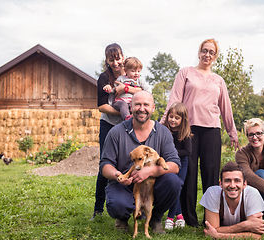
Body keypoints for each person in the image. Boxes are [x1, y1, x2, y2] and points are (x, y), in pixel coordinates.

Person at [160, 38, 240, 227]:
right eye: (205, 50)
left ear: (215, 57)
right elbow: (174, 100)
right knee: (188, 174)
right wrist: (163, 124)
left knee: (211, 175)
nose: (207, 55)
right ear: (199, 52)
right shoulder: (185, 73)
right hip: (188, 130)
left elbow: (225, 108)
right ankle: (189, 219)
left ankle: (210, 218)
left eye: (212, 52)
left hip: (212, 130)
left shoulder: (219, 80)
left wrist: (232, 132)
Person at [99, 90, 183, 234]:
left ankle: (155, 219)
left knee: (174, 182)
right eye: (137, 105)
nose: (142, 108)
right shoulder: (116, 132)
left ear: (153, 108)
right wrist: (118, 175)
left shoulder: (163, 132)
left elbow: (175, 165)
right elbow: (105, 165)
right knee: (117, 205)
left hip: (152, 186)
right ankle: (123, 217)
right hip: (125, 185)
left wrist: (150, 171)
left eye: (146, 105)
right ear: (130, 107)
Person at [91, 43, 142, 220]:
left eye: (118, 58)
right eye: (111, 59)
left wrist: (126, 89)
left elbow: (142, 91)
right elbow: (102, 106)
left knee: (131, 162)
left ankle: (134, 205)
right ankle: (98, 208)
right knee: (105, 165)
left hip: (129, 125)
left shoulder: (130, 71)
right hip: (110, 125)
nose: (115, 62)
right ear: (106, 60)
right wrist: (123, 112)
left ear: (123, 56)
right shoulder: (104, 77)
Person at [200, 161, 264, 240]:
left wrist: (218, 236)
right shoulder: (212, 193)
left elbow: (256, 236)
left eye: (237, 181)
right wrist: (245, 226)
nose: (232, 185)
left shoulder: (252, 194)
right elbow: (211, 230)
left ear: (244, 184)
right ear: (221, 184)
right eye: (227, 180)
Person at [162, 102, 192, 230]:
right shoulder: (164, 131)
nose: (173, 120)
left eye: (176, 118)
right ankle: (179, 216)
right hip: (168, 163)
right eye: (171, 116)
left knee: (178, 188)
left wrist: (172, 152)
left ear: (182, 120)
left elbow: (188, 152)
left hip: (182, 164)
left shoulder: (185, 134)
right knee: (173, 188)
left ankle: (170, 218)